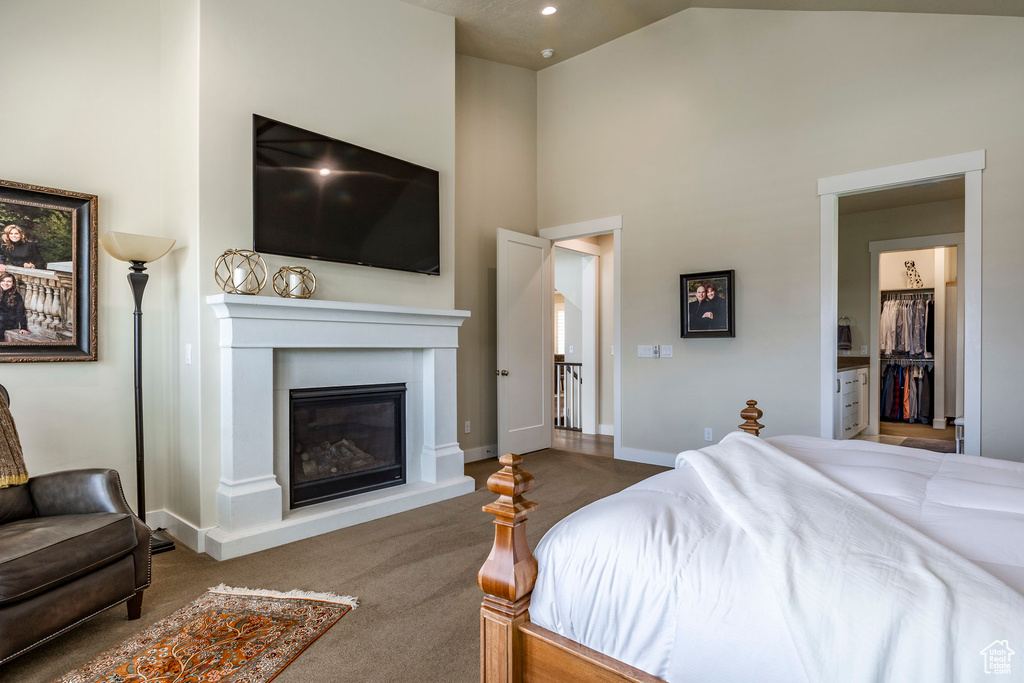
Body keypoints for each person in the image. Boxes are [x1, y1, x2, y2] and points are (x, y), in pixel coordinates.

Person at [0, 273, 30, 341]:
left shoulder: (16, 296)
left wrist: (23, 327)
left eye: (9, 281)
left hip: (8, 322)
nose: (5, 283)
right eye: (3, 281)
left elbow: (21, 312)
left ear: (13, 284)